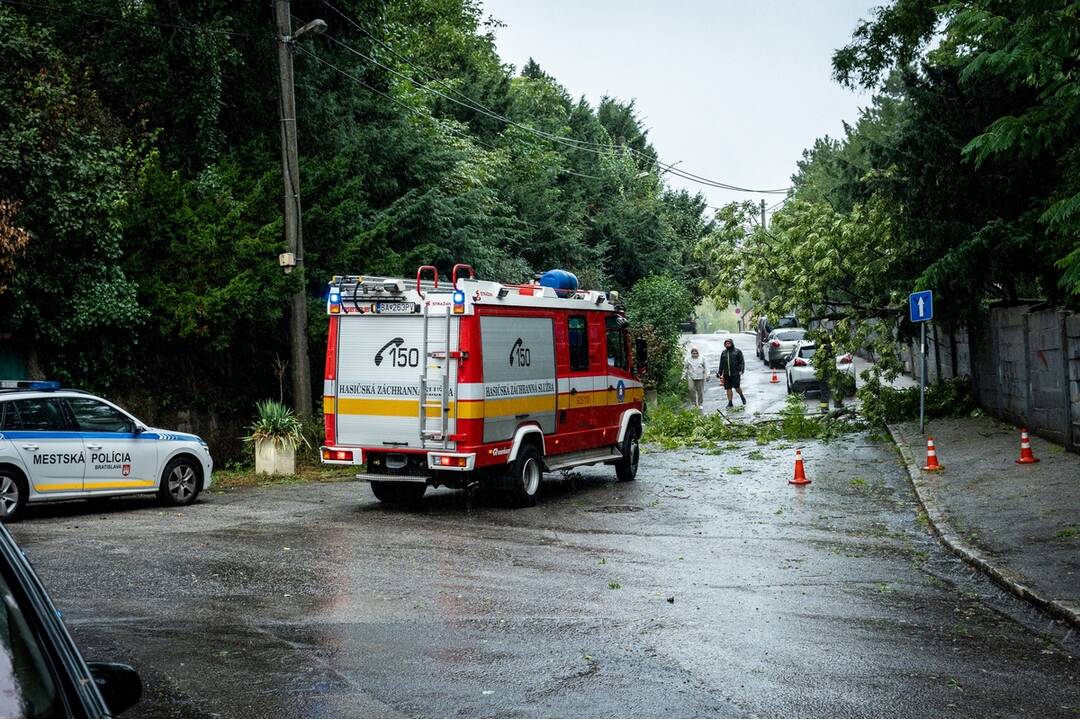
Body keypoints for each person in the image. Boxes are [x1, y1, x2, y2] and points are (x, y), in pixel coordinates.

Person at [717, 338, 747, 408]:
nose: (727, 345)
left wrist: (741, 370)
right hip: (726, 374)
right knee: (728, 388)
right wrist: (719, 373)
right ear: (725, 345)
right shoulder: (724, 353)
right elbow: (721, 364)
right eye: (726, 344)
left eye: (729, 343)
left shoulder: (737, 351)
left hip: (735, 373)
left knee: (737, 387)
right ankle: (730, 402)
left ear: (732, 343)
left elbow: (741, 362)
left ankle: (741, 396)